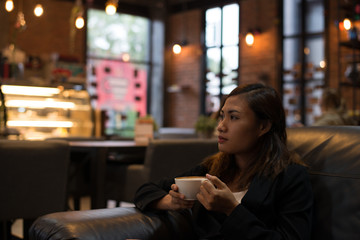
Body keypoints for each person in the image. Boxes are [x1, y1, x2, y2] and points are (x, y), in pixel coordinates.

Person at [134, 83, 314, 239]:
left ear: (263, 126)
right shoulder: (213, 169)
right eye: (222, 116)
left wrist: (232, 210)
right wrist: (171, 202)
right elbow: (145, 190)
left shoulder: (291, 177)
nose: (221, 126)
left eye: (234, 117)